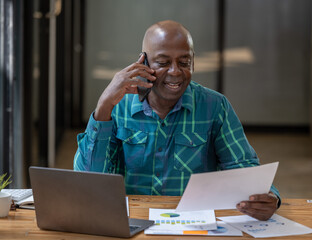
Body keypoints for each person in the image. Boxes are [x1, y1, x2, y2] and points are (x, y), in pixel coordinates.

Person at [74, 20, 280, 221]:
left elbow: (242, 167)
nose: (175, 71)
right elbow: (89, 181)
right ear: (143, 62)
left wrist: (266, 197)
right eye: (163, 63)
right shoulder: (118, 107)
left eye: (184, 62)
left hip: (193, 226)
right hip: (131, 223)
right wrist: (103, 106)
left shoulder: (214, 106)